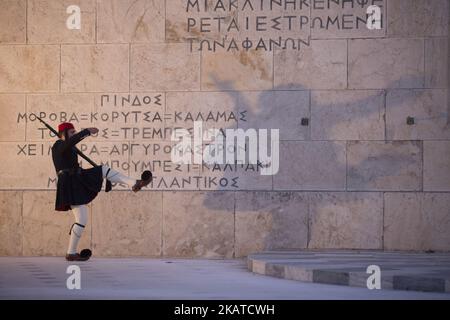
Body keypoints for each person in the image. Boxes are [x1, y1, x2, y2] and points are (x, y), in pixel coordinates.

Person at [51, 122, 152, 261]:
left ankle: (71, 253)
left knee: (81, 219)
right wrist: (86, 131)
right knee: (103, 170)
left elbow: (71, 144)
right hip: (69, 183)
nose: (74, 134)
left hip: (75, 180)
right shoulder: (58, 145)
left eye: (75, 132)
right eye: (72, 132)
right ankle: (135, 183)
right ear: (64, 134)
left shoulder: (69, 147)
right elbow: (69, 143)